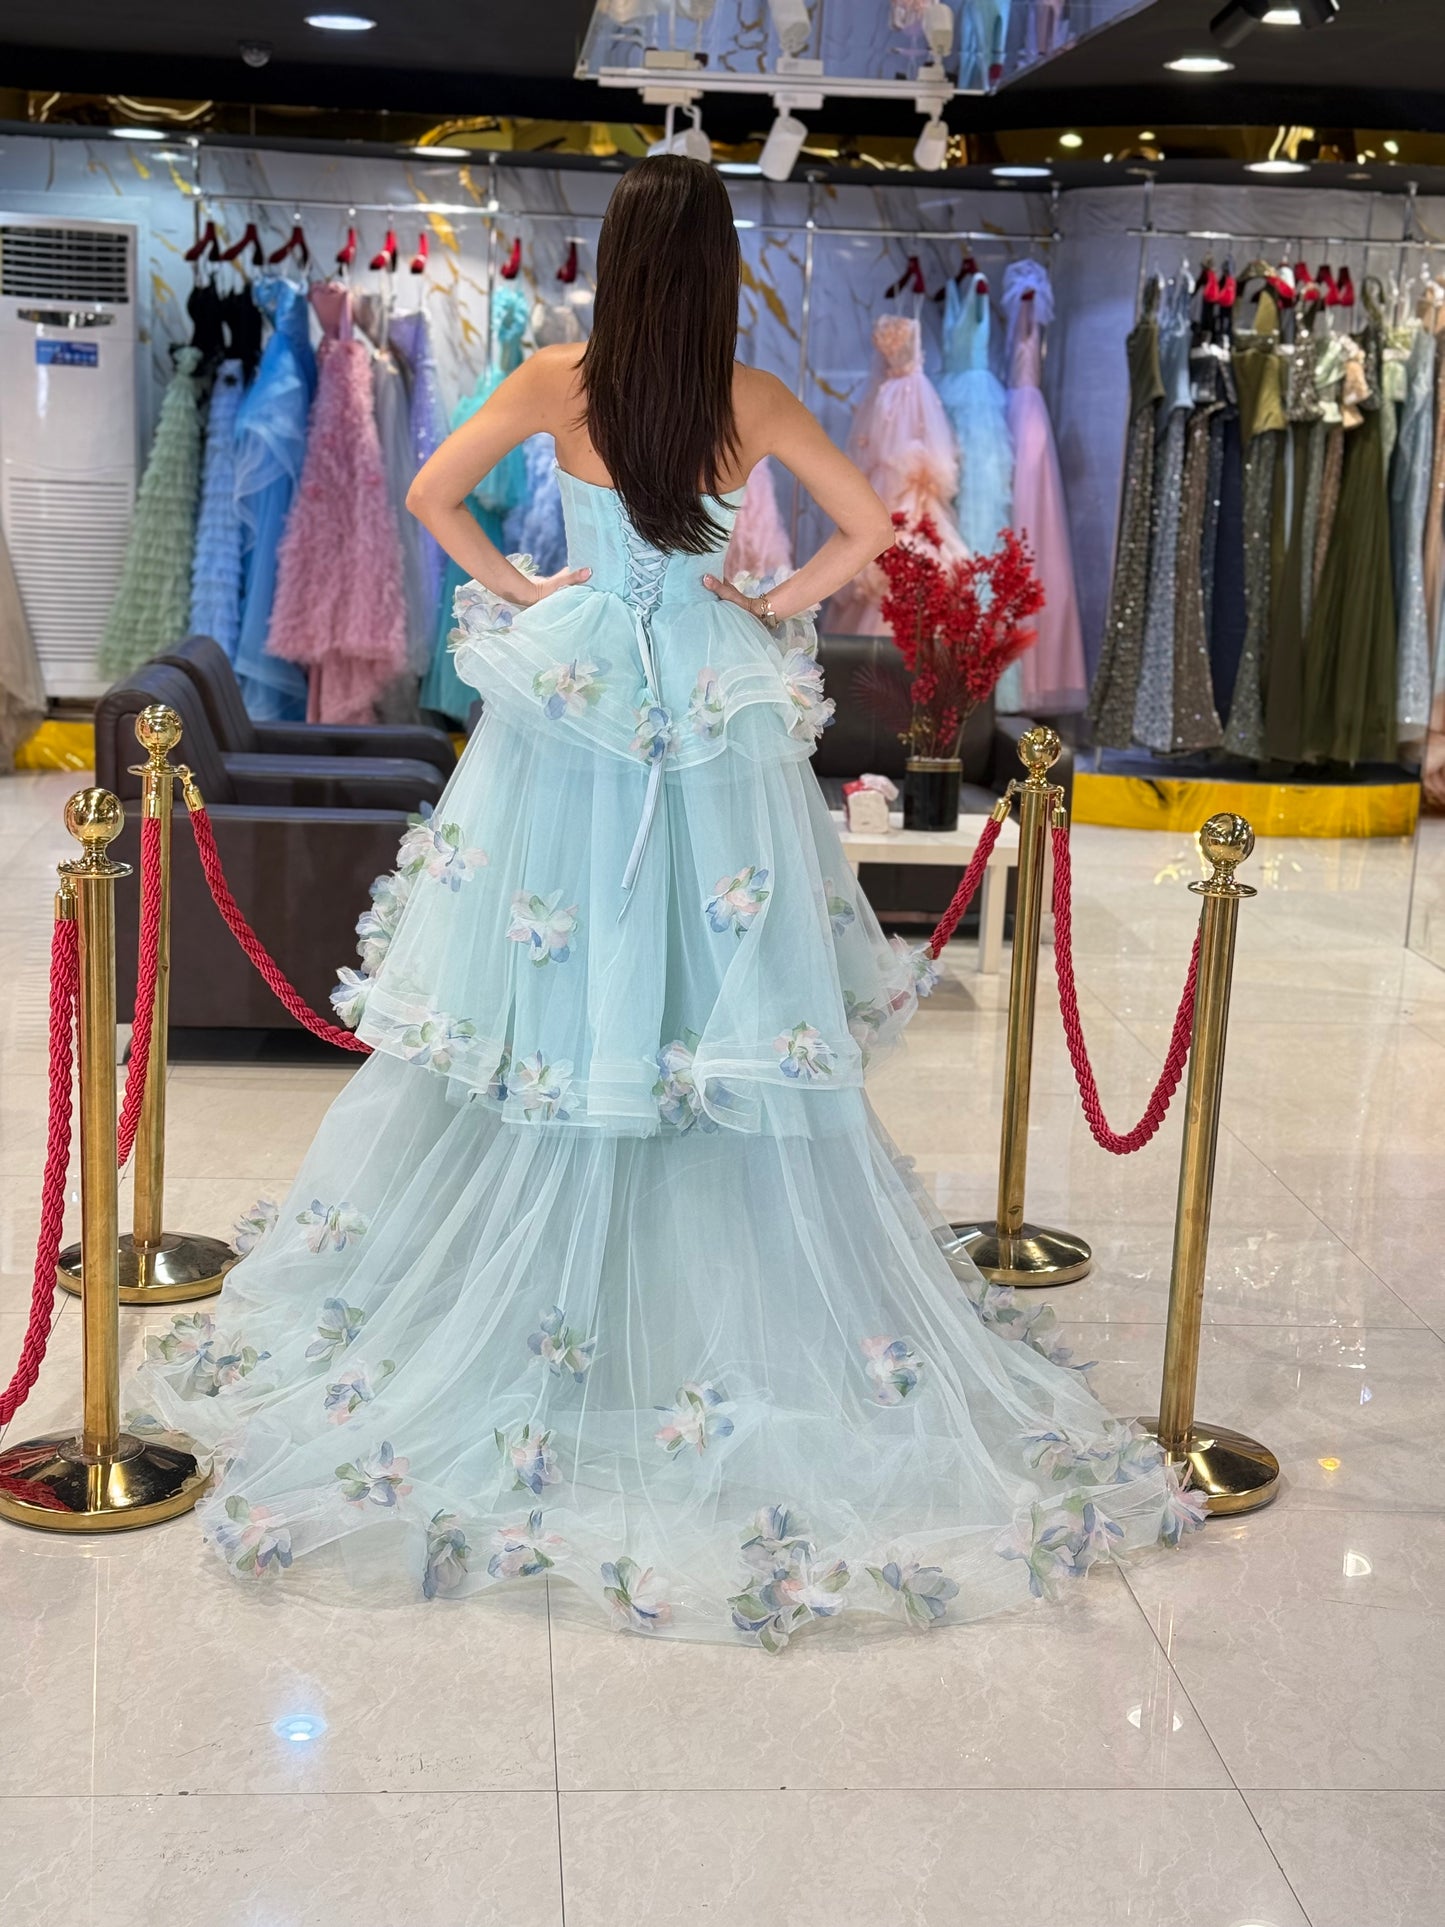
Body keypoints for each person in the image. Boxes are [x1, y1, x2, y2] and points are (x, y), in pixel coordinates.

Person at [128, 156, 1201, 1648]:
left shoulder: (561, 374)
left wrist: (525, 592)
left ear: (614, 258)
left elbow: (432, 498)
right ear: (713, 263)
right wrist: (761, 604)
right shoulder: (742, 394)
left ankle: (556, 1285)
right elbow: (871, 533)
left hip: (569, 697)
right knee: (713, 983)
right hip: (702, 688)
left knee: (550, 977)